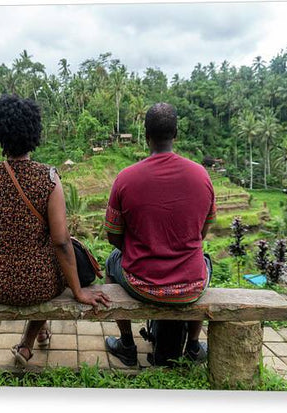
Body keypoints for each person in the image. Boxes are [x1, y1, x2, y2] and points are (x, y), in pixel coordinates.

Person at [0, 94, 110, 366]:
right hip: (40, 284)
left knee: (43, 266)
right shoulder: (48, 179)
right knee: (50, 266)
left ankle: (36, 335)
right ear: (35, 133)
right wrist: (79, 292)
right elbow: (61, 242)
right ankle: (33, 336)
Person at [103, 102, 216, 366]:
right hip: (190, 286)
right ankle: (193, 346)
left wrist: (135, 249)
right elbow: (203, 231)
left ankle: (127, 344)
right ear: (176, 134)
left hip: (142, 283)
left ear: (146, 135)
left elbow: (113, 236)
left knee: (111, 262)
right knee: (205, 260)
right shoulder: (202, 176)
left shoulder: (125, 178)